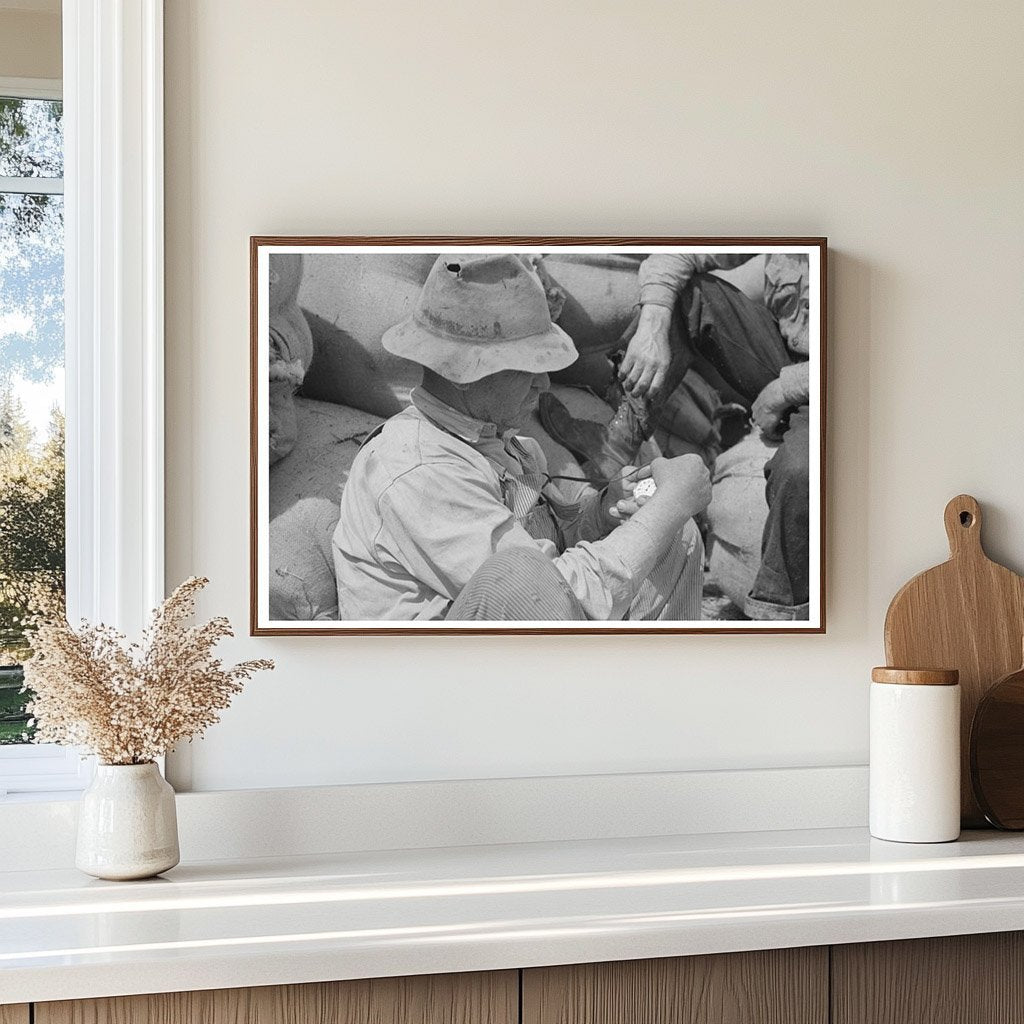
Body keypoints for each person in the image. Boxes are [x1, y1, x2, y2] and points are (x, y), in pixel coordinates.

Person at [332, 253, 711, 622]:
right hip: (430, 678)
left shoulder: (500, 446)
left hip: (506, 662)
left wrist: (603, 513)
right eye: (526, 367)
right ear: (465, 371)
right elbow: (546, 595)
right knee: (519, 570)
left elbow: (549, 551)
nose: (544, 383)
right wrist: (672, 504)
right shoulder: (417, 469)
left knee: (672, 536)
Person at [541, 252, 811, 621]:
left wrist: (786, 389)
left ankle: (779, 614)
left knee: (800, 471)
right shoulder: (789, 235)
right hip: (789, 356)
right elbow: (676, 254)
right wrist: (654, 321)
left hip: (835, 387)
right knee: (686, 295)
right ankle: (612, 451)